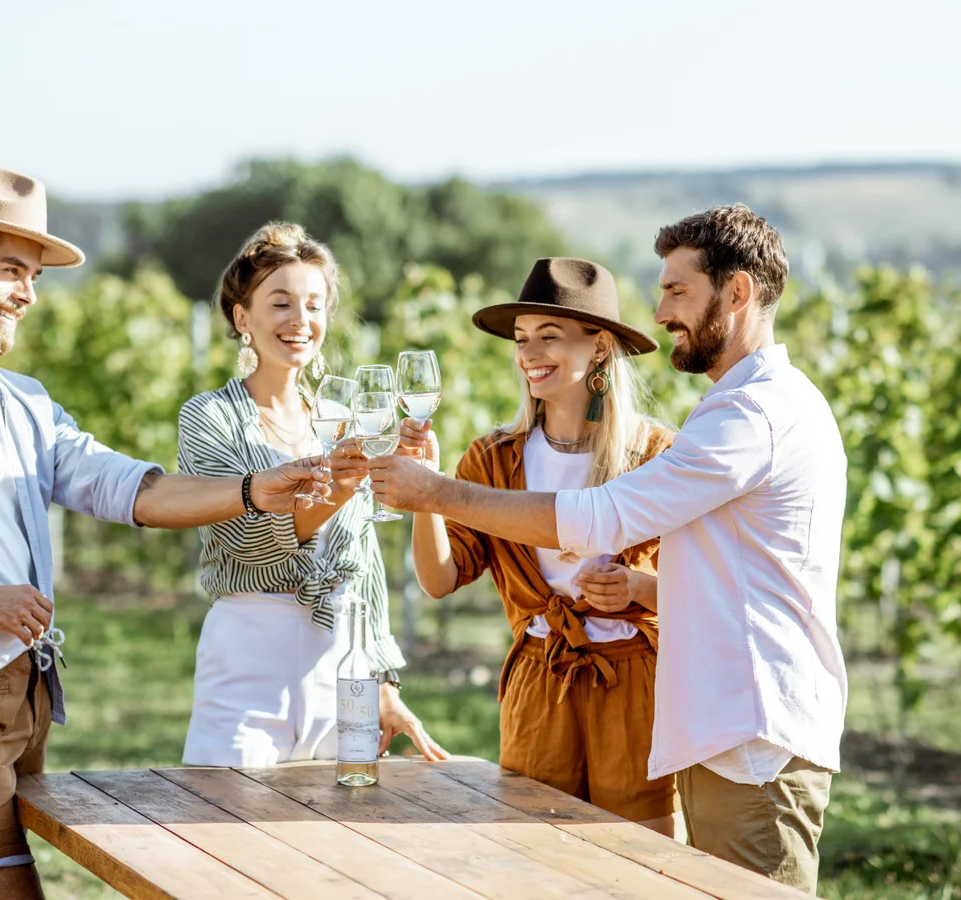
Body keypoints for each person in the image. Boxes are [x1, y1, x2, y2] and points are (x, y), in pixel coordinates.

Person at [0, 167, 328, 900]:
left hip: (26, 692)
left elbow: (129, 487)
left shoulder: (26, 404)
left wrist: (252, 490)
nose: (29, 295)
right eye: (12, 270)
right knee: (5, 885)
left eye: (34, 276)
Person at [369, 205, 846, 895]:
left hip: (748, 728)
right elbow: (712, 573)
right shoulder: (741, 406)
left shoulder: (745, 416)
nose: (661, 311)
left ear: (737, 293)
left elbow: (602, 517)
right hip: (715, 721)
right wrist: (436, 493)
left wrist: (435, 492)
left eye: (677, 291)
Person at [398, 258, 678, 836]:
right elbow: (438, 580)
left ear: (599, 348)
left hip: (632, 682)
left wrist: (638, 588)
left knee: (642, 861)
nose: (528, 353)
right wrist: (427, 490)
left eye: (549, 337)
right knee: (535, 857)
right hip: (540, 677)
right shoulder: (494, 458)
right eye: (522, 339)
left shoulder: (656, 454)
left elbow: (705, 586)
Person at [177, 221, 448, 767]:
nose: (301, 321)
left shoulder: (345, 423)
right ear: (242, 318)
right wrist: (342, 489)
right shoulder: (208, 418)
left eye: (315, 305)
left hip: (341, 667)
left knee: (338, 839)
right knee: (223, 832)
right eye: (281, 303)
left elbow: (364, 564)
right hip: (249, 658)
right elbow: (247, 539)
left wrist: (383, 680)